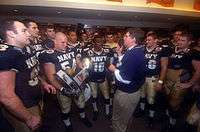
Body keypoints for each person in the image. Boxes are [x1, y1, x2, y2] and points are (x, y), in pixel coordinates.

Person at [39, 32, 92, 132]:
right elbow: (51, 78)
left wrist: (84, 70)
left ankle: (83, 117)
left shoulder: (72, 49)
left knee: (81, 104)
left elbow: (78, 63)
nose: (65, 45)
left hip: (77, 83)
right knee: (65, 108)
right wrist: (63, 89)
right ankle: (67, 124)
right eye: (62, 42)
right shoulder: (48, 55)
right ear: (54, 41)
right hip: (62, 86)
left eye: (66, 42)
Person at [0, 19, 41, 132]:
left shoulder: (23, 49)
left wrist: (44, 83)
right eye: (24, 31)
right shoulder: (6, 55)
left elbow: (33, 71)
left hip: (34, 99)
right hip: (23, 106)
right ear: (11, 33)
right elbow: (6, 96)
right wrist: (29, 118)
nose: (28, 33)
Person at [108, 28, 146, 132]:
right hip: (126, 92)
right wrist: (120, 55)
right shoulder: (133, 51)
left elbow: (125, 78)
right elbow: (127, 67)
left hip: (127, 94)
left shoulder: (133, 54)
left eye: (126, 36)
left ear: (133, 39)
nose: (123, 38)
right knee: (119, 117)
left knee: (122, 121)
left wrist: (113, 69)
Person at [136, 32, 170, 127]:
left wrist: (160, 81)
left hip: (153, 78)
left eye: (149, 40)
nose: (147, 41)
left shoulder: (161, 50)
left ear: (156, 40)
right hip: (142, 77)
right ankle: (142, 110)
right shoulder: (142, 49)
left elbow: (164, 67)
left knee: (151, 99)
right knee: (142, 96)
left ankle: (151, 117)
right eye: (146, 40)